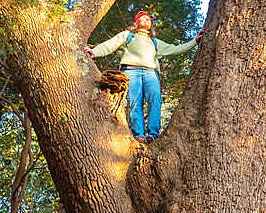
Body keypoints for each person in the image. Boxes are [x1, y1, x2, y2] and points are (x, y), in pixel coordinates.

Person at [85, 12, 200, 142]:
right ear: (136, 22)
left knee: (155, 100)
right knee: (135, 102)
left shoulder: (154, 42)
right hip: (130, 71)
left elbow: (175, 49)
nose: (146, 20)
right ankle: (138, 134)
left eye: (148, 19)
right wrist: (94, 51)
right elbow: (109, 45)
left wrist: (194, 42)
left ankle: (153, 135)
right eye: (143, 18)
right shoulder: (128, 36)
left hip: (151, 73)